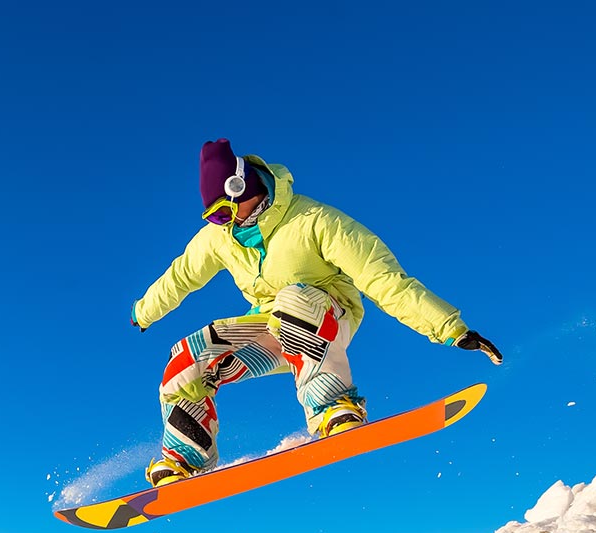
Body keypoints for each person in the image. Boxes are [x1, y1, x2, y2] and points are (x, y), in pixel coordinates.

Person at [130, 139, 502, 487]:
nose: (224, 222)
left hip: (326, 315)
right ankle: (185, 456)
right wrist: (143, 312)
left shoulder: (313, 219)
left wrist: (449, 327)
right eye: (214, 218)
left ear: (240, 187)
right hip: (273, 327)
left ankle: (332, 406)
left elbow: (382, 277)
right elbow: (180, 276)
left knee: (294, 299)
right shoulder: (220, 239)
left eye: (224, 211)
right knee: (188, 357)